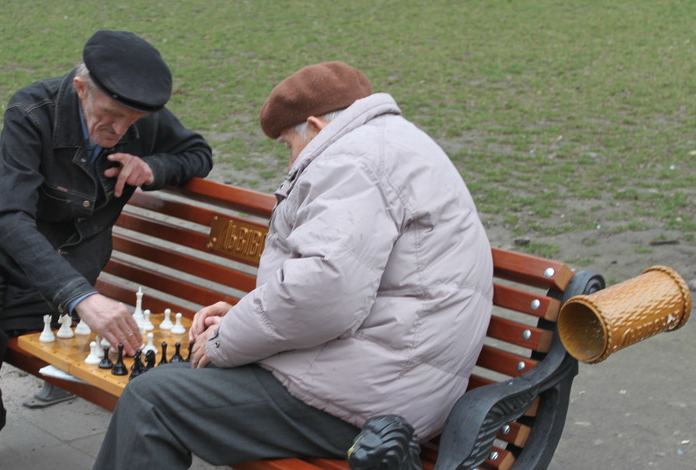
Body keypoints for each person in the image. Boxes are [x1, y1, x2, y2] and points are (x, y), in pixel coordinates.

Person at [93, 61, 493, 469]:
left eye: (288, 144)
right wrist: (242, 316)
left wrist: (223, 340)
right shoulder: (390, 144)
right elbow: (344, 287)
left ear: (316, 126)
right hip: (385, 380)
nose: (289, 162)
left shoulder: (352, 160)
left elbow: (325, 293)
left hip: (371, 405)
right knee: (164, 385)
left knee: (153, 399)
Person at [0, 30, 212, 470]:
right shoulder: (32, 109)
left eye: (133, 122)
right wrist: (82, 297)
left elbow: (197, 152)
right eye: (111, 116)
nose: (121, 130)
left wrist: (154, 165)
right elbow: (10, 218)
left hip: (59, 269)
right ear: (81, 89)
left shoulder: (140, 119)